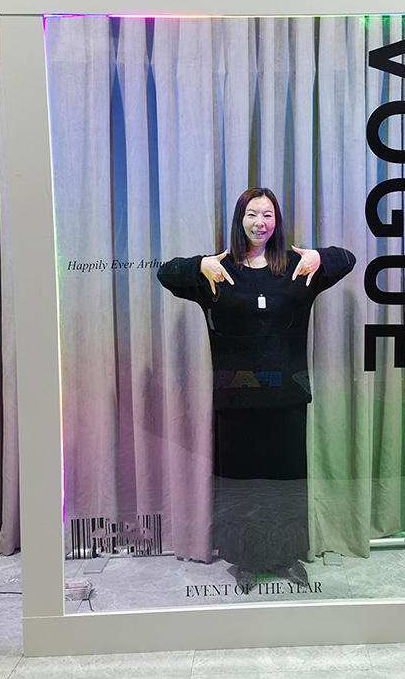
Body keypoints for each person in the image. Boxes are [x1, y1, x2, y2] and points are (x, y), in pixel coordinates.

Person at [157, 187, 355, 587]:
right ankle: (245, 559)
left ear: (276, 222)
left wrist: (320, 256)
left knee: (284, 487)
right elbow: (166, 273)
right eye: (251, 214)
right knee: (242, 488)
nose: (259, 223)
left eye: (267, 215)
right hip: (236, 400)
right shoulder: (218, 271)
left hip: (286, 399)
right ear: (239, 220)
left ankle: (284, 557)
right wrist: (199, 265)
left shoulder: (298, 269)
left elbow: (347, 260)